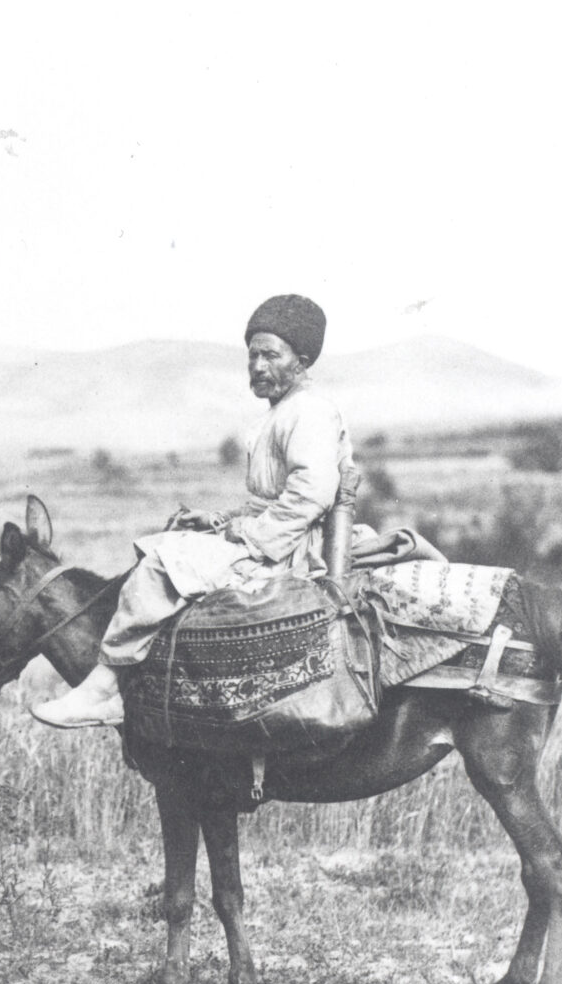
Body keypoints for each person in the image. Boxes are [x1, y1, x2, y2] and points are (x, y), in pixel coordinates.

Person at [34, 293, 429, 729]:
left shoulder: (309, 411)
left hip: (295, 547)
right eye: (252, 356)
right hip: (282, 534)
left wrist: (247, 535)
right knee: (176, 543)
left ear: (300, 361)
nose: (257, 366)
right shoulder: (284, 411)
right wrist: (220, 521)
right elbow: (271, 498)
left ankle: (103, 690)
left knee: (160, 566)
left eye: (270, 355)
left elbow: (310, 495)